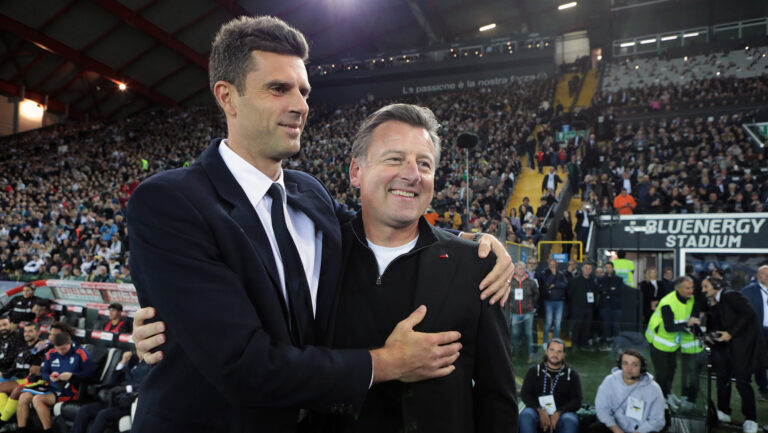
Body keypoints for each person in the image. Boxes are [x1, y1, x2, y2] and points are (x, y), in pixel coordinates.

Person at [126, 15, 513, 433]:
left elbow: (385, 223)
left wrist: (477, 248)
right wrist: (387, 362)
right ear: (227, 97)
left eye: (304, 90)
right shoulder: (171, 201)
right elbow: (243, 365)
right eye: (278, 89)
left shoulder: (310, 195)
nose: (301, 105)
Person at [324, 103, 518, 432]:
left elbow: (497, 397)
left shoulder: (476, 266)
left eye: (424, 164)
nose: (412, 174)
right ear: (355, 171)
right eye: (395, 158)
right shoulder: (318, 254)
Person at [702, 277, 768, 433]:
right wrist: (711, 335)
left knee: (742, 382)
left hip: (742, 348)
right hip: (724, 349)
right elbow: (719, 324)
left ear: (717, 286)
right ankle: (724, 412)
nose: (703, 290)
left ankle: (750, 419)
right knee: (722, 379)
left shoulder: (731, 295)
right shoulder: (715, 302)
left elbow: (749, 315)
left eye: (706, 286)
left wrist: (731, 333)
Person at [17, 332, 93, 433]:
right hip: (51, 386)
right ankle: (21, 430)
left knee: (38, 400)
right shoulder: (51, 353)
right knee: (24, 396)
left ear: (70, 343)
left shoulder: (81, 353)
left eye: (63, 349)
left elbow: (89, 374)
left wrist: (72, 376)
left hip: (69, 390)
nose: (60, 352)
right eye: (58, 349)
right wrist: (50, 377)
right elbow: (44, 372)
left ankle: (48, 430)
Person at [644, 276, 704, 407]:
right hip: (658, 342)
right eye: (688, 288)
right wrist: (688, 323)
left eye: (692, 287)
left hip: (672, 343)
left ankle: (667, 394)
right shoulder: (667, 303)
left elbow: (694, 311)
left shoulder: (691, 298)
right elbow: (669, 327)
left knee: (672, 369)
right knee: (662, 372)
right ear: (678, 288)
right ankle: (661, 400)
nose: (691, 291)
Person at [71, 351, 152, 433]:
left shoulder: (151, 366)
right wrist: (123, 362)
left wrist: (127, 388)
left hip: (128, 404)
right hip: (114, 400)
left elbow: (148, 386)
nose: (140, 352)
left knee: (103, 414)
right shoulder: (132, 362)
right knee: (84, 410)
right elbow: (112, 382)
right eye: (138, 349)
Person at [589, 349, 665, 433]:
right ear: (620, 365)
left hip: (641, 431)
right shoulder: (609, 381)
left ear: (642, 368)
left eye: (635, 365)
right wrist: (616, 430)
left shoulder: (653, 388)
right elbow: (602, 409)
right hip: (615, 428)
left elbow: (657, 420)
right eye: (625, 363)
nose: (629, 369)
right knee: (594, 429)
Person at [519, 339, 582, 433]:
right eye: (552, 350)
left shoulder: (572, 374)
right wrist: (539, 410)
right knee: (526, 415)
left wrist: (559, 412)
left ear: (564, 354)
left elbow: (577, 400)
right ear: (547, 351)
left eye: (559, 351)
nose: (555, 354)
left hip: (563, 413)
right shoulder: (534, 371)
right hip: (537, 410)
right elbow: (525, 394)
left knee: (570, 421)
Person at [740, 265, 768, 400]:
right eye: (764, 273)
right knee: (760, 360)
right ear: (758, 276)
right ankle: (763, 388)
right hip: (758, 331)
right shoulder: (748, 291)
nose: (767, 276)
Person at [510, 261, 539, 363]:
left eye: (523, 268)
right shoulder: (510, 282)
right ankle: (515, 354)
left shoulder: (531, 282)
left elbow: (536, 294)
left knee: (529, 334)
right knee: (514, 334)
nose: (522, 270)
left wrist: (531, 305)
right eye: (519, 268)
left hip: (528, 313)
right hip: (514, 313)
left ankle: (530, 355)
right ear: (515, 269)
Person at [538, 258, 568, 346]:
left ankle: (555, 342)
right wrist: (552, 275)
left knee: (558, 324)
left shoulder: (561, 274)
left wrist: (555, 285)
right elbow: (546, 285)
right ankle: (545, 342)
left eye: (554, 264)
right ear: (548, 264)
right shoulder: (544, 273)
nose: (552, 266)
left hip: (559, 301)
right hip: (549, 301)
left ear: (556, 264)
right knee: (548, 322)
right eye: (551, 264)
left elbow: (565, 285)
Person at [569, 262, 597, 351]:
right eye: (586, 268)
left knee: (587, 326)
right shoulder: (575, 280)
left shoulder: (592, 281)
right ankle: (575, 344)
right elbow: (570, 293)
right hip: (578, 307)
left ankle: (584, 344)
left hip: (589, 307)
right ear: (582, 269)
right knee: (576, 326)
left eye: (589, 269)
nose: (588, 270)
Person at [597, 262, 624, 347]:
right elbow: (600, 289)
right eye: (606, 267)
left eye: (609, 267)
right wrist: (611, 289)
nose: (608, 269)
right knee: (606, 325)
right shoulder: (601, 279)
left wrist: (607, 290)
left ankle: (616, 343)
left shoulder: (619, 279)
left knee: (616, 325)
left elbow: (619, 291)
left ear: (613, 268)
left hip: (616, 306)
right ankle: (607, 342)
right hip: (605, 306)